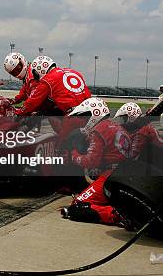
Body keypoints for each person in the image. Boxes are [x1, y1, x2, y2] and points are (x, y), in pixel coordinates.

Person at [60, 98, 134, 226]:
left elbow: (91, 161)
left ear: (94, 115)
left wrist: (73, 155)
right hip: (124, 175)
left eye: (85, 117)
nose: (83, 122)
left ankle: (116, 214)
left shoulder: (99, 130)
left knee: (77, 206)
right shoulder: (116, 127)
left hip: (110, 176)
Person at [14, 55, 91, 116]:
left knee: (63, 135)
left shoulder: (47, 80)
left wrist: (19, 112)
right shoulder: (73, 71)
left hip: (73, 113)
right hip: (90, 107)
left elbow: (32, 102)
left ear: (39, 70)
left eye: (35, 74)